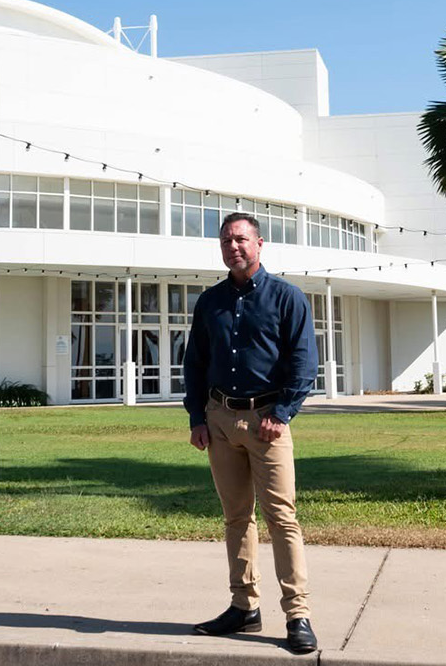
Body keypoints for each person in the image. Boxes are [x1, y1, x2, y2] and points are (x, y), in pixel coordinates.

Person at [183, 211, 319, 655]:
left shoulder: (287, 298)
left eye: (241, 239)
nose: (233, 247)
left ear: (260, 244)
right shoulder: (210, 302)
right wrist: (197, 418)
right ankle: (244, 607)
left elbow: (303, 363)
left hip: (268, 424)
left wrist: (282, 413)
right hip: (220, 420)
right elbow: (195, 364)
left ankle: (297, 614)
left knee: (282, 518)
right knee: (236, 518)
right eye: (225, 241)